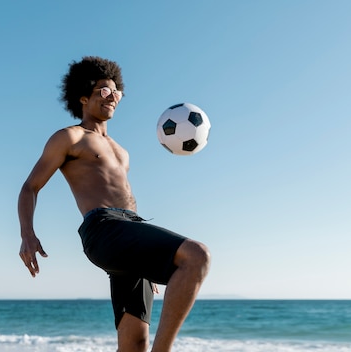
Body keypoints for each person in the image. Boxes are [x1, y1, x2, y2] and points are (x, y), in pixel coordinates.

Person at [18, 56, 210, 352]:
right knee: (197, 256)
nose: (112, 97)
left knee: (134, 344)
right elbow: (30, 187)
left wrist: (146, 256)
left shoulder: (121, 151)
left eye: (116, 92)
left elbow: (125, 199)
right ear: (83, 97)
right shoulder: (70, 137)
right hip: (104, 229)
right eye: (103, 91)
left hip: (131, 231)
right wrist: (27, 234)